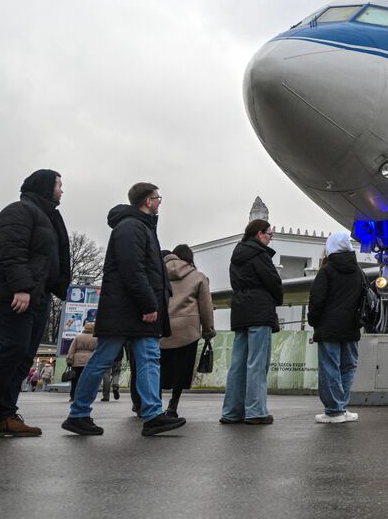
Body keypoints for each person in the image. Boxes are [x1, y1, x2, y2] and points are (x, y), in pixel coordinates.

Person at [62, 183, 184, 437]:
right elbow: (133, 270)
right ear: (148, 201)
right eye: (157, 198)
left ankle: (151, 414)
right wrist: (149, 304)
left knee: (146, 358)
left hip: (128, 309)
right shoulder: (131, 227)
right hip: (131, 310)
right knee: (103, 361)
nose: (160, 202)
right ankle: (80, 413)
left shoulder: (139, 227)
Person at [0, 170, 71, 438]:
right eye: (59, 185)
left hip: (38, 295)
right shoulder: (19, 211)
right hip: (10, 293)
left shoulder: (49, 218)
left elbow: (50, 260)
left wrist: (56, 288)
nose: (62, 190)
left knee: (23, 356)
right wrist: (22, 287)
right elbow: (11, 251)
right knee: (11, 349)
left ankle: (5, 413)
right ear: (45, 186)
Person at [221, 219, 282, 425]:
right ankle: (256, 410)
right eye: (269, 234)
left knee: (238, 363)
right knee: (257, 362)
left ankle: (231, 411)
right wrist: (277, 298)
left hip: (240, 310)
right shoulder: (260, 255)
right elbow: (273, 281)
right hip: (259, 310)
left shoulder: (236, 255)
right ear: (259, 234)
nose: (270, 238)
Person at [309, 231, 365, 424]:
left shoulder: (326, 271)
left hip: (329, 328)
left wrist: (313, 321)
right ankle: (341, 406)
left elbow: (316, 300)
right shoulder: (358, 271)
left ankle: (334, 410)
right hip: (351, 328)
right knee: (348, 367)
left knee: (329, 367)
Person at [159, 244, 215, 418]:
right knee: (182, 371)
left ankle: (154, 407)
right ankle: (172, 407)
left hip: (162, 329)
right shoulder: (198, 277)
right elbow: (206, 307)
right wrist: (208, 330)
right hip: (187, 331)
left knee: (159, 371)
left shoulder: (159, 274)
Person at [65, 322, 98, 401]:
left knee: (75, 380)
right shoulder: (95, 338)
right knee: (87, 380)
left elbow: (72, 349)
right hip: (89, 361)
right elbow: (97, 350)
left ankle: (73, 396)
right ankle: (85, 396)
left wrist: (69, 359)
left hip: (77, 361)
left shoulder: (78, 337)